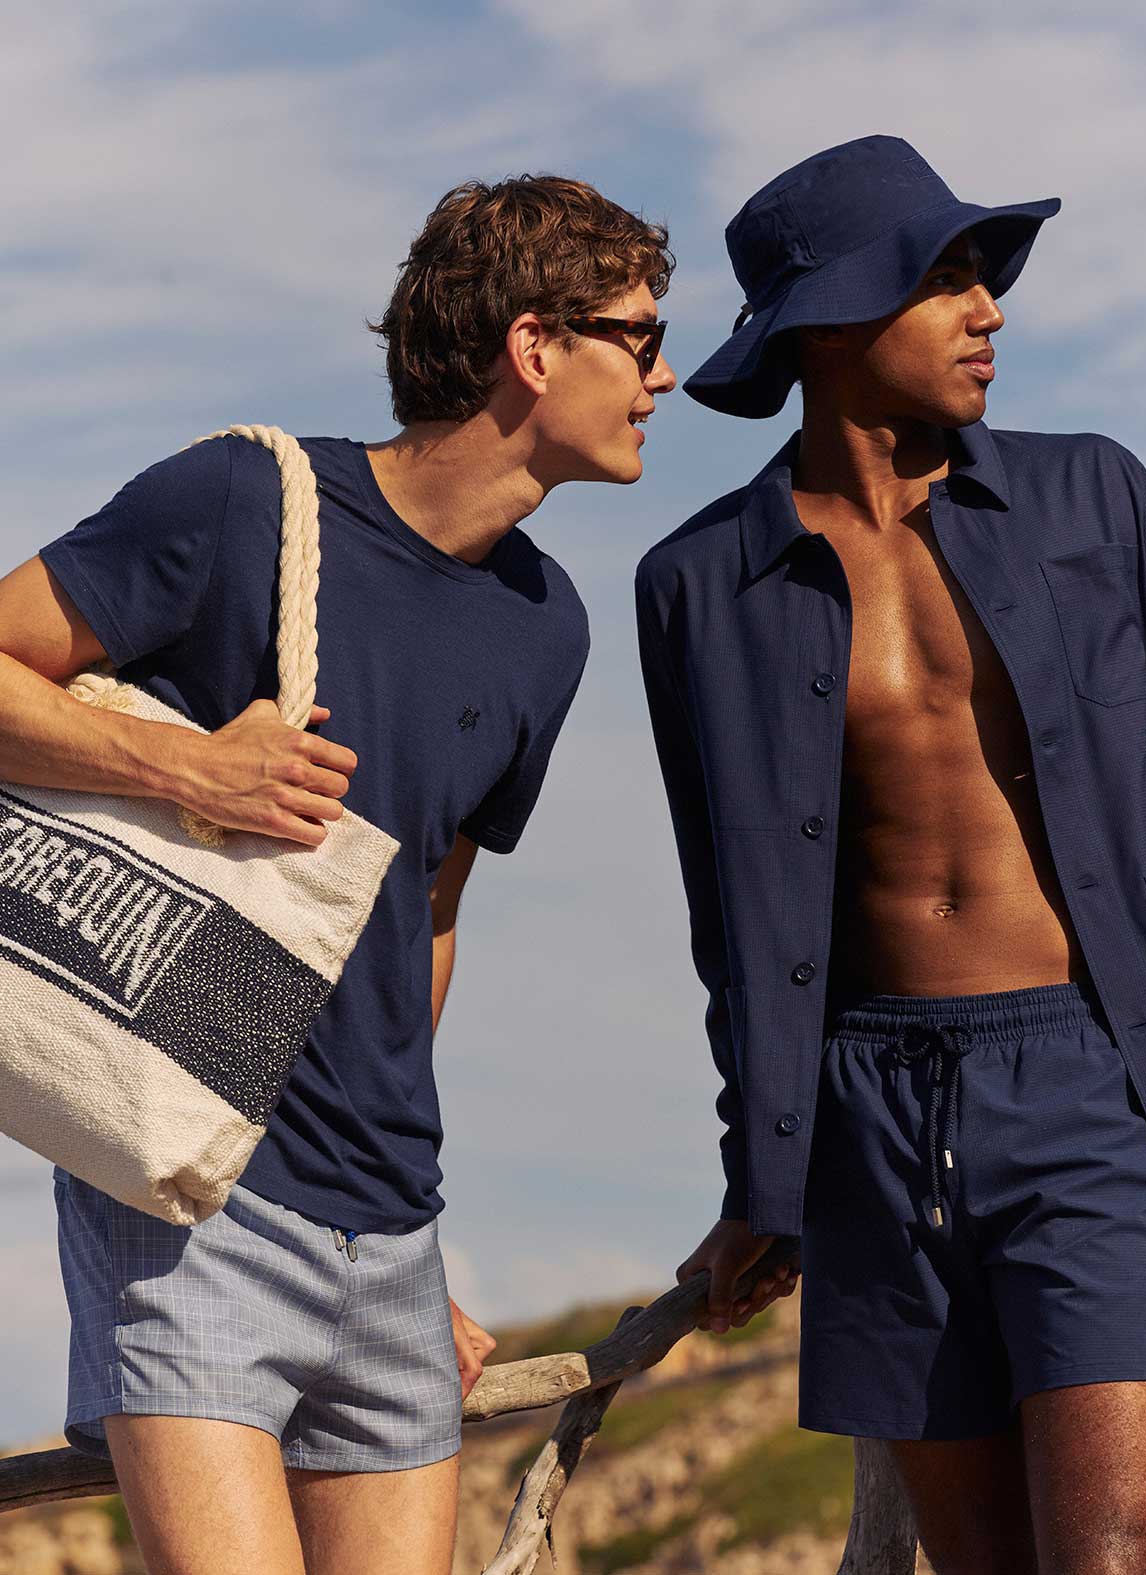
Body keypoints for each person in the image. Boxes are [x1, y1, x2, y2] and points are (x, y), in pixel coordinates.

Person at [0, 172, 675, 1575]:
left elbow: (426, 917)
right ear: (535, 345)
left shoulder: (544, 628)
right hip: (192, 1206)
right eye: (637, 335)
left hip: (391, 1244)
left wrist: (401, 1247)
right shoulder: (248, 501)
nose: (661, 375)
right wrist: (183, 770)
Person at [635, 132, 1146, 1574]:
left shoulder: (1093, 497)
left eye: (981, 277)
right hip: (867, 1116)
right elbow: (737, 920)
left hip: (1090, 1082)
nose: (988, 311)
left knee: (1119, 1553)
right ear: (829, 323)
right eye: (944, 278)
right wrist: (758, 1174)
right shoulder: (700, 584)